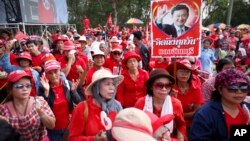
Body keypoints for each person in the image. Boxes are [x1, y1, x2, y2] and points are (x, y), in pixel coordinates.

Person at [189, 69, 250, 140]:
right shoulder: (204, 114)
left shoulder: (247, 109)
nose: (239, 92)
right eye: (232, 87)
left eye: (244, 87)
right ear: (220, 89)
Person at [68, 69, 124, 141]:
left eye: (113, 84)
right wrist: (94, 139)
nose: (112, 88)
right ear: (96, 87)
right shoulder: (82, 108)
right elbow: (73, 138)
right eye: (107, 84)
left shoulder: (117, 106)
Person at [0, 70, 55, 141]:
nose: (25, 89)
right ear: (10, 89)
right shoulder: (3, 109)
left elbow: (52, 125)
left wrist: (41, 113)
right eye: (20, 86)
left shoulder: (39, 102)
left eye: (28, 85)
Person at [134, 69, 187, 141]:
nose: (164, 89)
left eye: (168, 85)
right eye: (159, 85)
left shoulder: (176, 104)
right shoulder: (141, 103)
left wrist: (180, 138)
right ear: (151, 87)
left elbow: (181, 124)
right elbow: (134, 125)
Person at [38, 60, 81, 141]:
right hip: (52, 130)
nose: (54, 75)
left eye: (56, 71)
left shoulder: (68, 84)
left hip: (69, 127)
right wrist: (46, 93)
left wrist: (73, 92)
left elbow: (79, 102)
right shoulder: (42, 88)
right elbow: (42, 111)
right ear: (46, 75)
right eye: (50, 73)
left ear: (60, 71)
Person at [167, 59, 204, 133]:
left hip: (192, 125)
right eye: (181, 71)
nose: (184, 74)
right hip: (172, 125)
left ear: (191, 74)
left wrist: (179, 116)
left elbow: (197, 112)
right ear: (175, 73)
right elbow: (166, 111)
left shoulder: (196, 89)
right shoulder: (168, 88)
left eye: (187, 72)